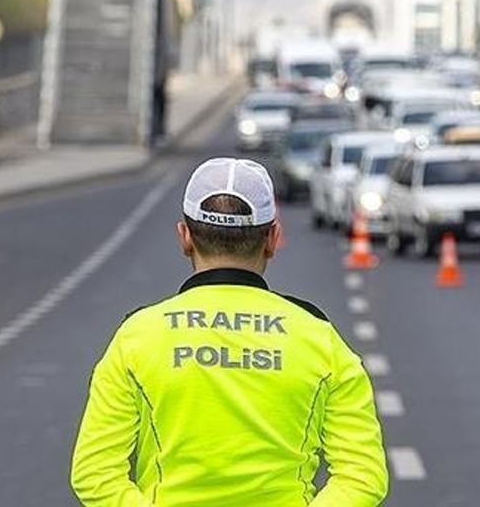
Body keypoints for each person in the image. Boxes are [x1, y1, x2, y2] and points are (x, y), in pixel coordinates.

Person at [71, 158, 388, 506]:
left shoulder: (137, 336)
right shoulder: (319, 338)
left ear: (185, 237)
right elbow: (363, 476)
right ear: (272, 238)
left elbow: (94, 473)